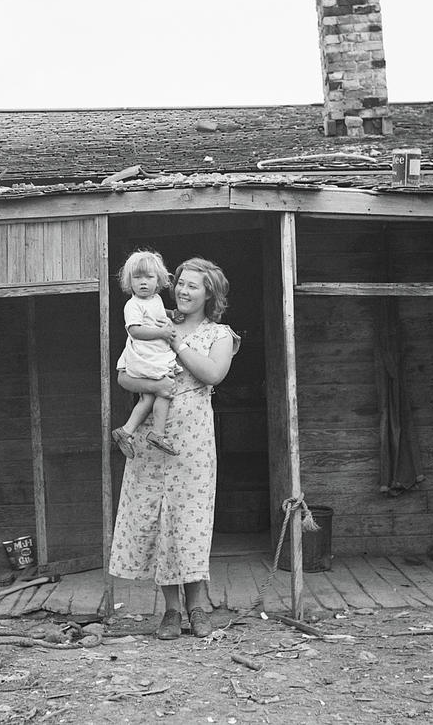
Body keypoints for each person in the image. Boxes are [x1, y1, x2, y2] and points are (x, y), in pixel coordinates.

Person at [108, 257, 241, 640]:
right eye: (180, 282)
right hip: (152, 437)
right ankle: (169, 612)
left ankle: (198, 608)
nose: (182, 290)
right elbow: (123, 376)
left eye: (192, 286)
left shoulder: (220, 334)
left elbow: (212, 374)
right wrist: (153, 387)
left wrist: (175, 340)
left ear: (209, 294)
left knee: (190, 520)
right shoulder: (153, 323)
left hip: (194, 442)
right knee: (158, 520)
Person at [111, 249, 181, 457]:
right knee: (165, 390)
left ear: (158, 280)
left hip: (153, 353)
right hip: (145, 356)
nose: (143, 282)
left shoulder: (156, 299)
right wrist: (163, 332)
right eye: (137, 277)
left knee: (148, 398)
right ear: (128, 281)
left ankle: (126, 431)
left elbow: (158, 313)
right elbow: (135, 330)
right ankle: (157, 433)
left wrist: (172, 314)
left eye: (149, 277)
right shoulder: (132, 305)